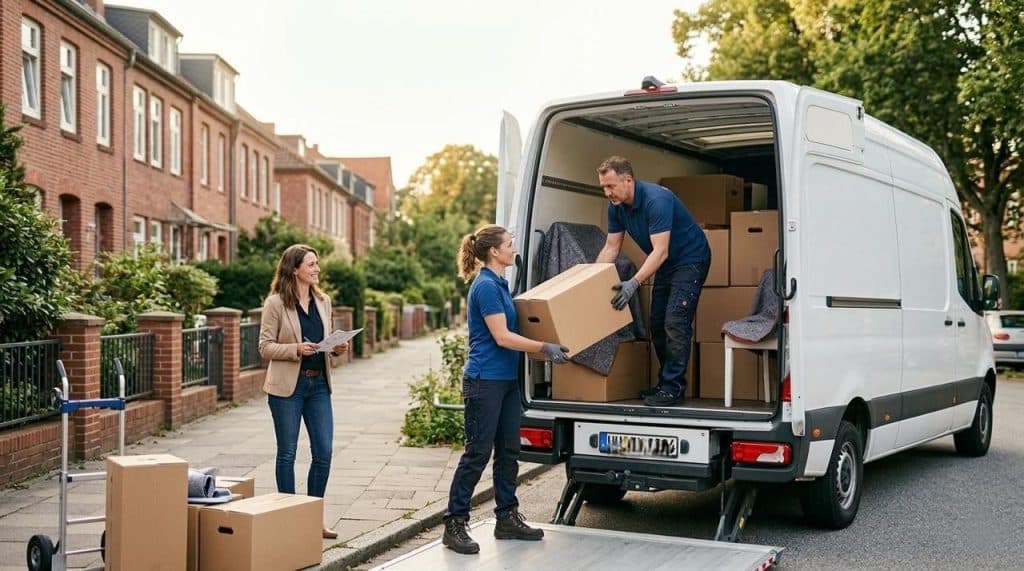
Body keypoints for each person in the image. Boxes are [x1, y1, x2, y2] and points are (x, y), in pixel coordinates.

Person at [442, 224, 570, 555]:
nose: (514, 249)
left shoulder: (499, 284)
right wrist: (544, 347)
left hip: (506, 382)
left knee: (509, 451)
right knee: (478, 453)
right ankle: (455, 524)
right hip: (484, 381)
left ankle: (506, 517)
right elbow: (502, 337)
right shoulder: (484, 286)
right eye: (510, 245)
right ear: (494, 252)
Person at [595, 156, 711, 407]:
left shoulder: (656, 200)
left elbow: (660, 251)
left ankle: (672, 389)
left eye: (611, 186)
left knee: (675, 321)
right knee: (657, 323)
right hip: (667, 263)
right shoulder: (615, 206)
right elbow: (610, 248)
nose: (607, 192)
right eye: (603, 187)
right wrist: (590, 281)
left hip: (690, 259)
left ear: (628, 180)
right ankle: (665, 384)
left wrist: (633, 283)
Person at [258, 244, 348, 539]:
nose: (317, 269)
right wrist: (295, 349)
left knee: (323, 451)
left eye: (317, 264)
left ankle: (313, 519)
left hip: (319, 384)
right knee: (287, 453)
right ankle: (289, 519)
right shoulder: (275, 303)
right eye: (311, 264)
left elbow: (327, 343)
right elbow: (265, 347)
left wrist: (337, 348)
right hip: (288, 388)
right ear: (294, 269)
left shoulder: (324, 301)